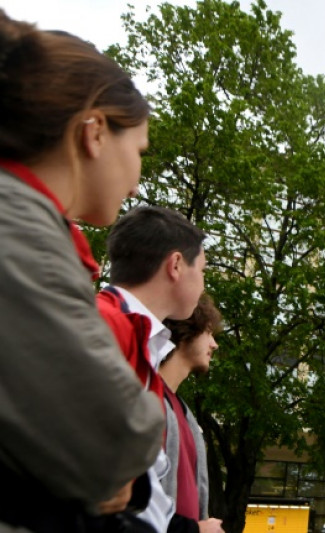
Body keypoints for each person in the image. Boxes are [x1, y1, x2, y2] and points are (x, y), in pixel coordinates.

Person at [0, 9, 165, 532]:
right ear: (94, 132)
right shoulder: (18, 228)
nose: (137, 184)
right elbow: (114, 436)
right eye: (137, 150)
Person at [97, 206, 208, 533]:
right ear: (175, 265)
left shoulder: (143, 341)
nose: (203, 284)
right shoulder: (106, 329)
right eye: (202, 270)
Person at [161, 295, 226, 533]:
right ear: (187, 330)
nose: (214, 344)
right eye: (209, 333)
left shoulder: (186, 415)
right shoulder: (148, 403)